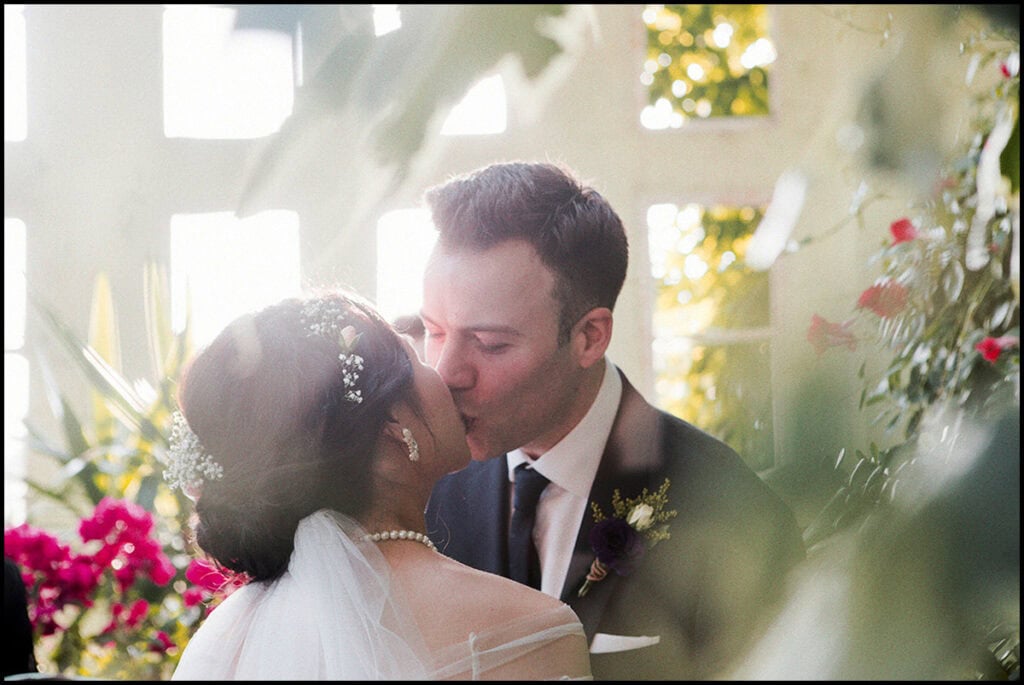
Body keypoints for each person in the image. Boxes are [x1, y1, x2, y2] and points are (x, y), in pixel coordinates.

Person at [420, 161, 806, 680]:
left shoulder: (732, 511)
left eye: (489, 343)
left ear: (589, 337)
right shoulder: (420, 493)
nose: (445, 373)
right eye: (434, 332)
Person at [167, 290, 591, 680]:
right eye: (419, 358)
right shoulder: (534, 631)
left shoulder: (230, 638)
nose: (443, 373)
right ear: (393, 421)